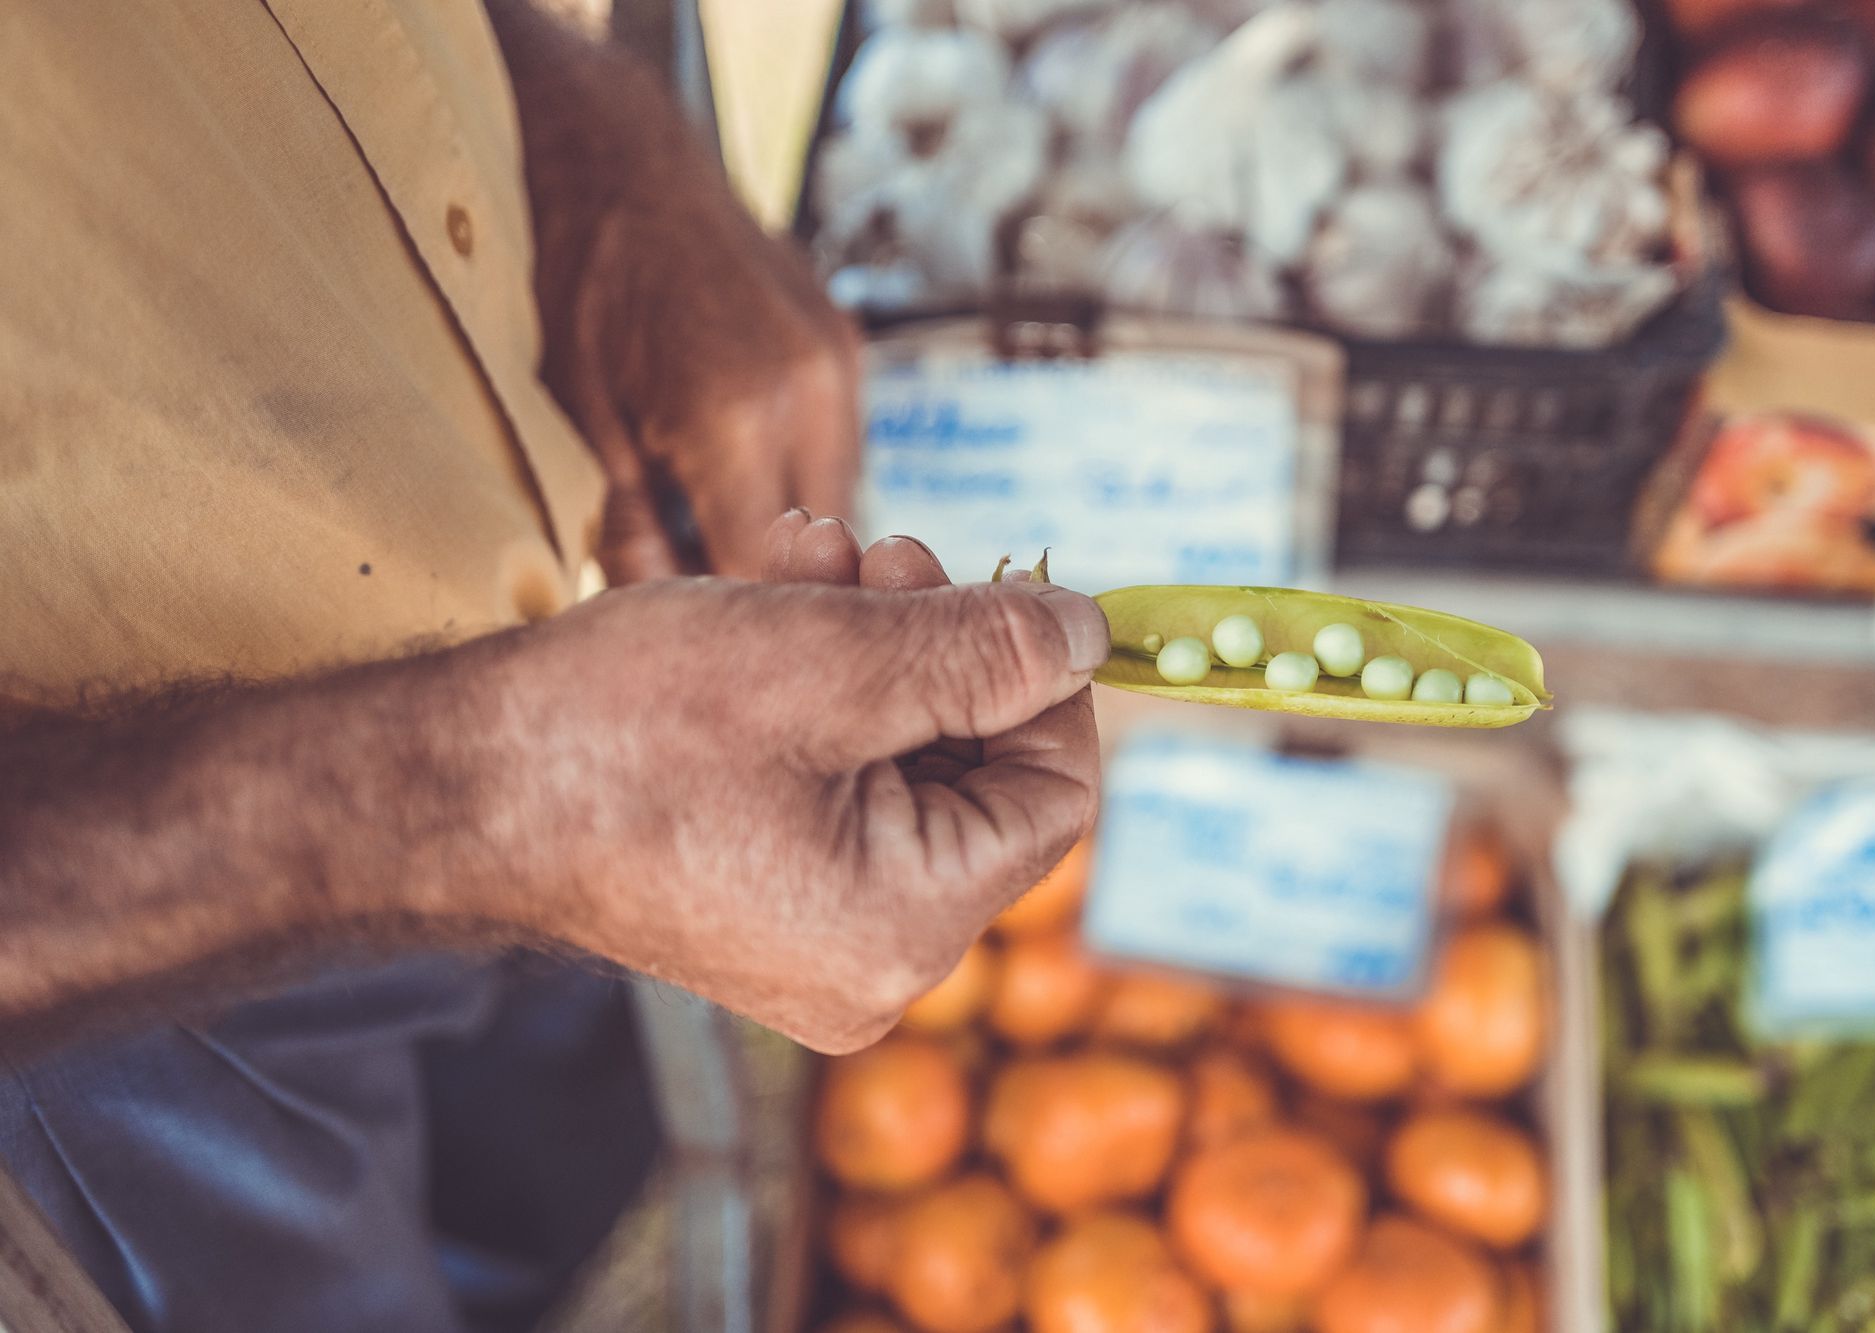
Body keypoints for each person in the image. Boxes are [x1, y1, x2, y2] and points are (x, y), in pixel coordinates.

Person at [0, 3, 1108, 1330]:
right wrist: (487, 795)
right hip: (124, 952)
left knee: (561, 1184)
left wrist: (563, 111)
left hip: (523, 595)